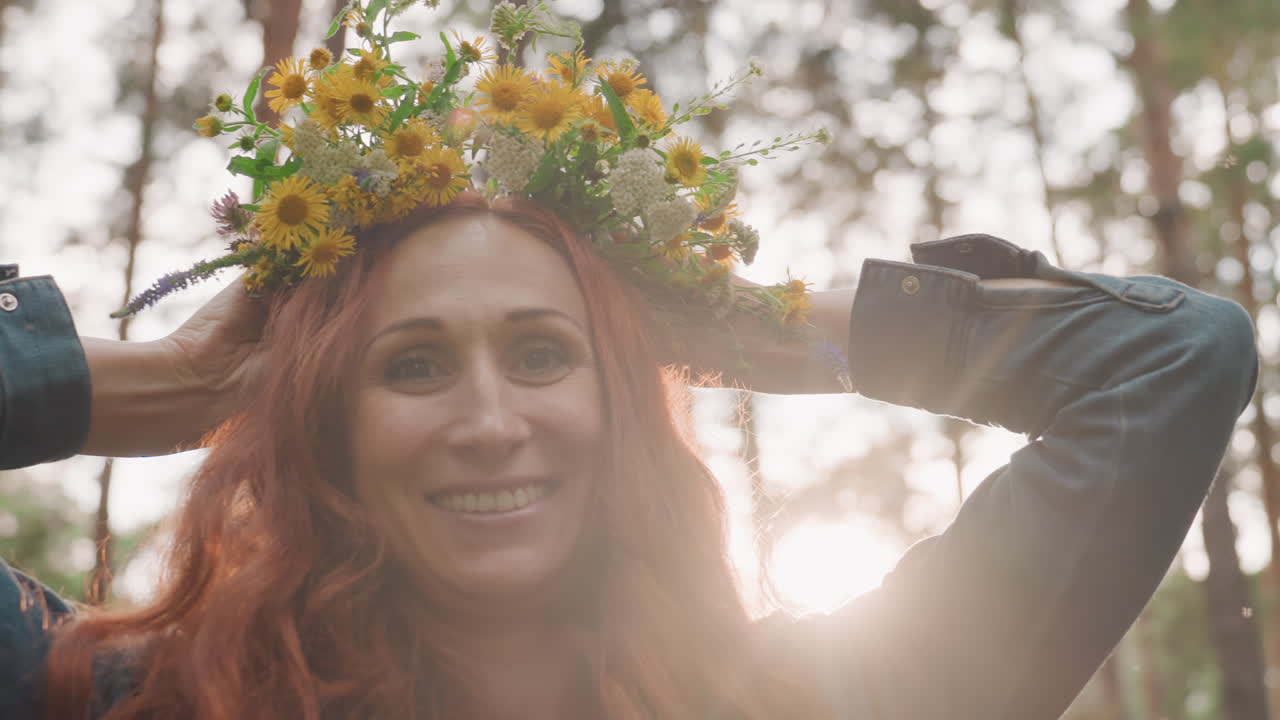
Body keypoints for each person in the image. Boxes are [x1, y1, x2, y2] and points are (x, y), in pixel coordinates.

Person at [0, 3, 1259, 717]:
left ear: (626, 396)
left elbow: (1172, 360)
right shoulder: (127, 701)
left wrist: (748, 319)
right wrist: (166, 383)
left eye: (546, 353)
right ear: (328, 423)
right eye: (415, 367)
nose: (491, 418)